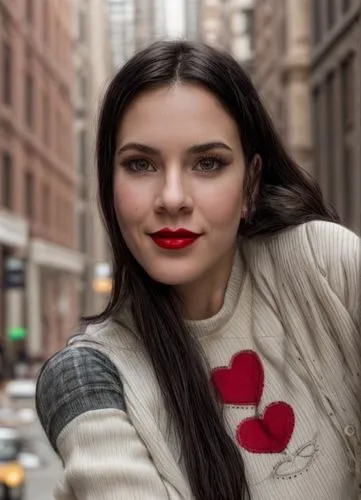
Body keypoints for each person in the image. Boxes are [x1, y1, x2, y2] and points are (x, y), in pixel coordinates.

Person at [35, 40, 361, 500]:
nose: (171, 197)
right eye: (140, 164)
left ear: (250, 184)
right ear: (109, 188)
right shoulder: (85, 378)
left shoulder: (322, 264)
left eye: (208, 163)